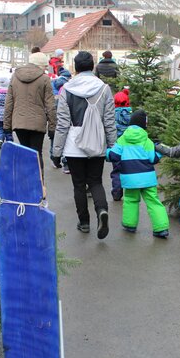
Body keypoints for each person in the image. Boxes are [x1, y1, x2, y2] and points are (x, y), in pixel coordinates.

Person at [52, 51, 117, 239]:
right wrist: (112, 146)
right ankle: (102, 211)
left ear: (76, 67)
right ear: (92, 66)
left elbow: (63, 123)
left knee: (79, 185)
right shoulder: (104, 89)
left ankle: (84, 222)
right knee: (96, 182)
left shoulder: (67, 89)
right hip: (97, 142)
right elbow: (109, 121)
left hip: (74, 145)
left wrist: (57, 151)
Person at [106, 109, 170, 238]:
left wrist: (106, 152)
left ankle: (130, 225)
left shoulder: (123, 139)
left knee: (131, 200)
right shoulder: (147, 141)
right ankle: (161, 228)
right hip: (147, 178)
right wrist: (159, 152)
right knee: (153, 201)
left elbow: (113, 155)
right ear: (144, 125)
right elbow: (153, 159)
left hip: (130, 179)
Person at [3, 52, 56, 171]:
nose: (46, 69)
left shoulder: (15, 77)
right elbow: (50, 105)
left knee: (24, 152)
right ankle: (39, 185)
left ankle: (25, 184)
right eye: (45, 66)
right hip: (38, 123)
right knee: (37, 154)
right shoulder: (44, 79)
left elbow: (9, 103)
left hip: (19, 122)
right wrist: (52, 127)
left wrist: (6, 125)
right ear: (41, 65)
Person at [109, 88, 132, 200]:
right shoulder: (132, 115)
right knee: (129, 168)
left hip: (117, 147)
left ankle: (117, 192)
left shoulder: (111, 114)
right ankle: (131, 192)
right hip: (129, 147)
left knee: (117, 170)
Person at [50, 66, 72, 174]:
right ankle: (66, 163)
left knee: (55, 136)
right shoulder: (70, 87)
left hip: (55, 114)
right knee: (67, 139)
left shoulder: (53, 83)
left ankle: (54, 157)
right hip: (68, 116)